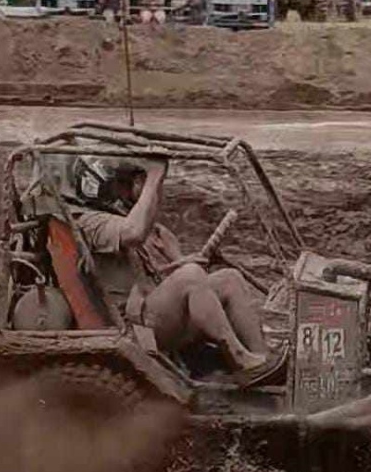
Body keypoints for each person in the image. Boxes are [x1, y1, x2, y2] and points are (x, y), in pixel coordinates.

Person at [67, 157, 284, 386]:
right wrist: (154, 176)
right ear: (103, 186)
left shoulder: (118, 217)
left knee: (229, 279)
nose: (133, 191)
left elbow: (149, 275)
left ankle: (262, 363)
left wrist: (176, 257)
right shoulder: (90, 221)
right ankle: (239, 358)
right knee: (190, 275)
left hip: (151, 313)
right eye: (127, 184)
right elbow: (134, 233)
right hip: (134, 329)